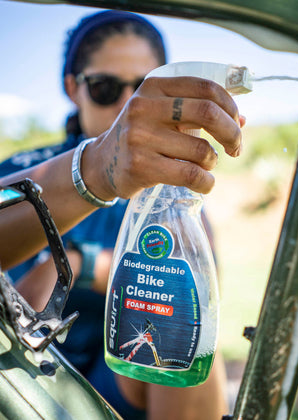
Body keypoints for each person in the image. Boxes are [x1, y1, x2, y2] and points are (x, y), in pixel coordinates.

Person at [0, 10, 244, 420]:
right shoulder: (22, 171)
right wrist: (97, 168)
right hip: (17, 379)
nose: (127, 107)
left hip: (119, 383)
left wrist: (85, 264)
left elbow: (197, 298)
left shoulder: (172, 195)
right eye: (105, 87)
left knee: (175, 329)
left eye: (144, 90)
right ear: (72, 88)